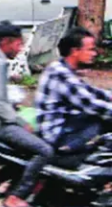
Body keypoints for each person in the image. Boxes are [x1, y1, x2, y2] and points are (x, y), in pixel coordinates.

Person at [0, 21, 53, 207]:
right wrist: (21, 122)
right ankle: (16, 196)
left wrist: (15, 108)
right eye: (18, 44)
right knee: (45, 150)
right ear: (6, 42)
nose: (20, 49)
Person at [36, 27, 110, 157]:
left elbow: (91, 91)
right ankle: (69, 153)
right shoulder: (61, 73)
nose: (94, 54)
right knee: (101, 121)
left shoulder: (62, 67)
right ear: (75, 51)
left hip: (66, 123)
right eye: (90, 49)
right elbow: (91, 104)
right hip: (56, 134)